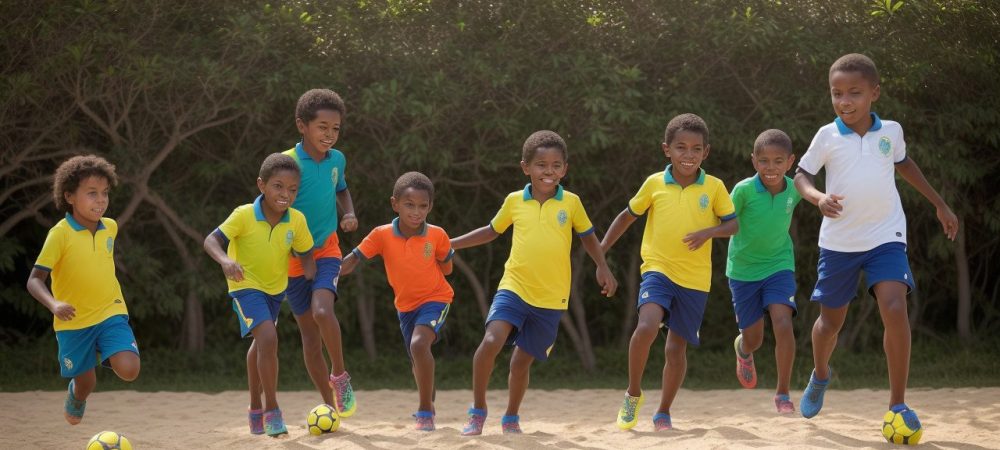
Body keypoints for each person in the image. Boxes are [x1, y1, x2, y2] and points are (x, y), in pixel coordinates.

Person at [794, 54, 958, 429]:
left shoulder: (892, 131)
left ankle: (897, 404)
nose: (845, 101)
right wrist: (818, 197)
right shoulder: (827, 135)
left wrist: (940, 204)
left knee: (895, 306)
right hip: (839, 242)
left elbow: (905, 164)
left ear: (874, 93)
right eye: (837, 93)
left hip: (886, 235)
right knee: (830, 323)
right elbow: (801, 175)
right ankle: (820, 373)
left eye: (854, 92)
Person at [451, 130, 617, 436]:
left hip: (551, 298)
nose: (549, 171)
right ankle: (478, 411)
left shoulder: (572, 203)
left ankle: (511, 416)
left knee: (521, 363)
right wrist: (451, 244)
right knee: (491, 342)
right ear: (526, 167)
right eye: (541, 164)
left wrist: (603, 266)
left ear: (564, 169)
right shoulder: (515, 201)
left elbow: (589, 237)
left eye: (556, 165)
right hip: (514, 286)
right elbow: (491, 231)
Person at [603, 113, 738, 431]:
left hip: (694, 279)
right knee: (647, 326)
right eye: (681, 147)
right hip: (658, 269)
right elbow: (626, 216)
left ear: (706, 152)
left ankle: (663, 411)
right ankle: (633, 393)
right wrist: (601, 251)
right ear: (667, 150)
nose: (688, 155)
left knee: (676, 348)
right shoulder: (654, 183)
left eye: (695, 149)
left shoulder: (715, 187)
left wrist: (709, 232)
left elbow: (733, 224)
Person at [203, 153, 315, 436]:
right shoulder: (243, 214)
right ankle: (272, 410)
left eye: (292, 189)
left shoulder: (297, 221)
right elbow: (212, 240)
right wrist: (226, 261)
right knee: (267, 338)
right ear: (261, 185)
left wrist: (314, 282)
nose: (285, 194)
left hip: (277, 291)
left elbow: (307, 255)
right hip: (244, 286)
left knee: (260, 345)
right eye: (278, 186)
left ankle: (254, 407)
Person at [26, 155, 141, 425]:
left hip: (109, 311)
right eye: (92, 193)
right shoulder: (60, 234)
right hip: (73, 322)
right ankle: (76, 397)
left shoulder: (110, 227)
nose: (100, 200)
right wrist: (54, 305)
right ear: (69, 196)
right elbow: (34, 279)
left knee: (130, 369)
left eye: (104, 193)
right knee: (86, 382)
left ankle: (109, 346)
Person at [340, 171, 455, 431]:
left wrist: (442, 258)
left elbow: (447, 270)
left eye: (423, 206)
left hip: (437, 298)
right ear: (395, 204)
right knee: (417, 358)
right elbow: (354, 258)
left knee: (418, 345)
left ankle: (425, 411)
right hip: (405, 307)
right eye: (409, 205)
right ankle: (430, 400)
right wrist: (331, 273)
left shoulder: (437, 235)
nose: (416, 212)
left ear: (430, 206)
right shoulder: (381, 235)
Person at [282, 88, 360, 417]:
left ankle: (340, 376)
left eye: (335, 129)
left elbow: (341, 188)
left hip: (327, 250)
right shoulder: (286, 164)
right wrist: (300, 255)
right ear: (303, 125)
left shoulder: (337, 160)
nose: (329, 135)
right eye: (322, 127)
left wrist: (349, 212)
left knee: (323, 312)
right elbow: (275, 211)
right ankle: (329, 407)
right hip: (291, 260)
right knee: (310, 340)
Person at [725, 129, 801, 413]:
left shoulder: (795, 188)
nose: (771, 168)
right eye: (765, 161)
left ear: (790, 161)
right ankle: (743, 349)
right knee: (754, 338)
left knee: (783, 322)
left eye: (778, 161)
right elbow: (724, 220)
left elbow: (819, 196)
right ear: (754, 161)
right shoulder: (743, 190)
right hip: (743, 271)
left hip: (779, 265)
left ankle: (783, 394)